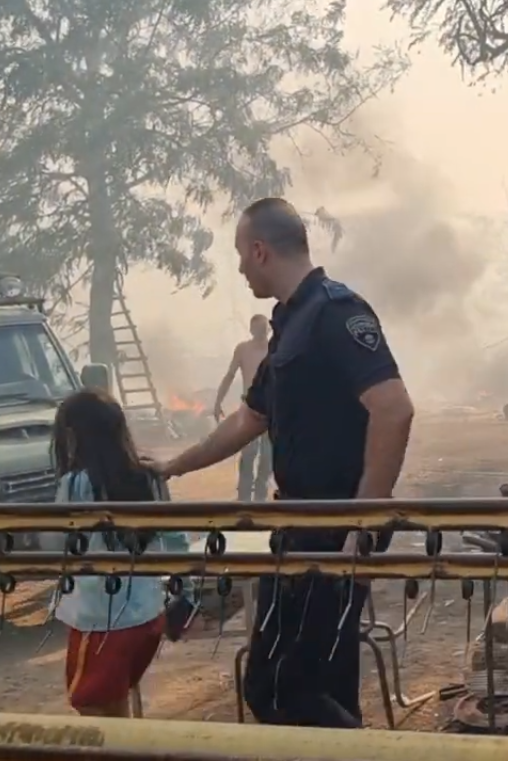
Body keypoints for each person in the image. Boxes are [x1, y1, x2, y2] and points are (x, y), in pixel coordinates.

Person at [148, 197, 415, 728]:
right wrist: (173, 466)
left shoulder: (336, 312)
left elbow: (393, 408)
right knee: (282, 684)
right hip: (294, 526)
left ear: (260, 250)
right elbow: (249, 419)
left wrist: (362, 523)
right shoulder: (289, 325)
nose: (241, 267)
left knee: (295, 685)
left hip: (336, 529)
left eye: (241, 256)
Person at [51, 387, 194, 717]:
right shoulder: (148, 476)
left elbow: (58, 544)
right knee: (117, 706)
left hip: (102, 620)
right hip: (147, 613)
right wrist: (184, 592)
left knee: (96, 711)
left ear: (72, 436)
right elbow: (176, 540)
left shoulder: (75, 485)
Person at [214, 314, 272, 501]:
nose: (260, 333)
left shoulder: (275, 348)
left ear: (268, 330)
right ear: (251, 330)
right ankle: (244, 500)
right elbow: (230, 375)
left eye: (263, 329)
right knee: (248, 455)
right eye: (257, 329)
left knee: (267, 458)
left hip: (272, 410)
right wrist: (217, 402)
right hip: (249, 408)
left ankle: (260, 500)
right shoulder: (243, 349)